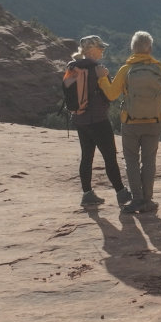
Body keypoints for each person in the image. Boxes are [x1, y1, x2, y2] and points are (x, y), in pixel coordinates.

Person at [103, 30, 161, 215]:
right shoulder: (160, 69)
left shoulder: (126, 69)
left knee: (132, 161)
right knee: (149, 161)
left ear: (133, 48)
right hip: (153, 123)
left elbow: (111, 94)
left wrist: (102, 77)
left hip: (130, 122)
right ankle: (148, 201)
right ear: (149, 49)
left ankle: (137, 200)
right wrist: (160, 115)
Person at [63, 35, 133, 208]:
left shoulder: (72, 67)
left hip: (80, 119)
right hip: (98, 120)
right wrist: (106, 77)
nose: (102, 50)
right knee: (110, 156)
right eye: (100, 48)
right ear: (91, 50)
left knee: (87, 156)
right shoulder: (97, 69)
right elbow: (109, 95)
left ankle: (87, 194)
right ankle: (121, 193)